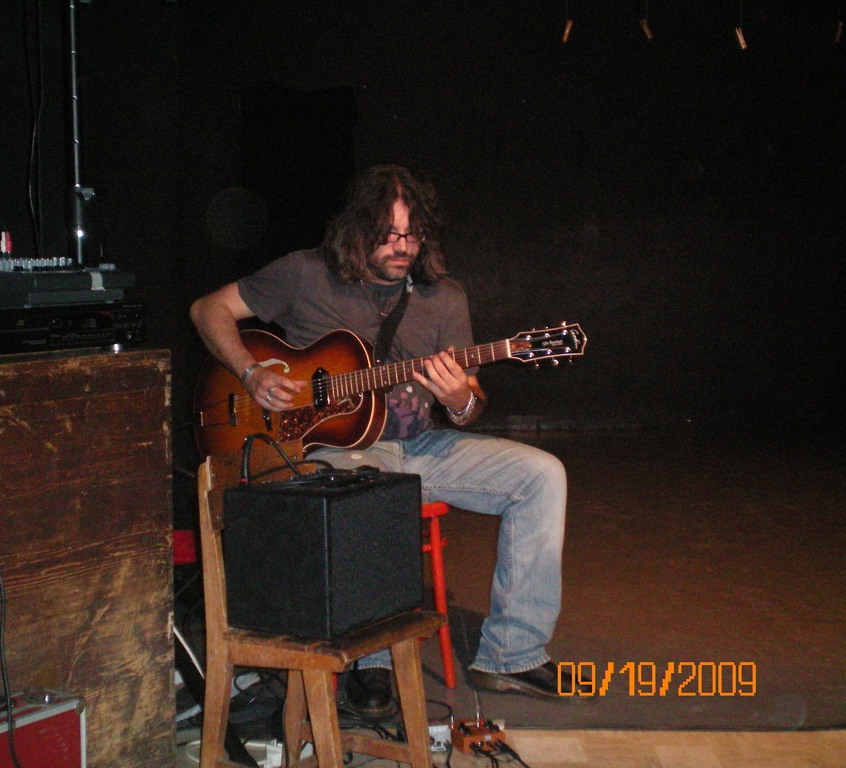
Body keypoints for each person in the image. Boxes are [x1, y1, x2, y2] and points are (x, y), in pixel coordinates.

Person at [190, 164, 590, 715]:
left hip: (422, 446)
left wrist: (457, 399)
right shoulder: (306, 274)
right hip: (337, 452)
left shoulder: (443, 298)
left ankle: (512, 656)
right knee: (373, 486)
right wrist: (251, 373)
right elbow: (207, 309)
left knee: (543, 474)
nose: (403, 247)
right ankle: (371, 664)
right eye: (389, 234)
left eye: (412, 234)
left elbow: (470, 406)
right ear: (358, 229)